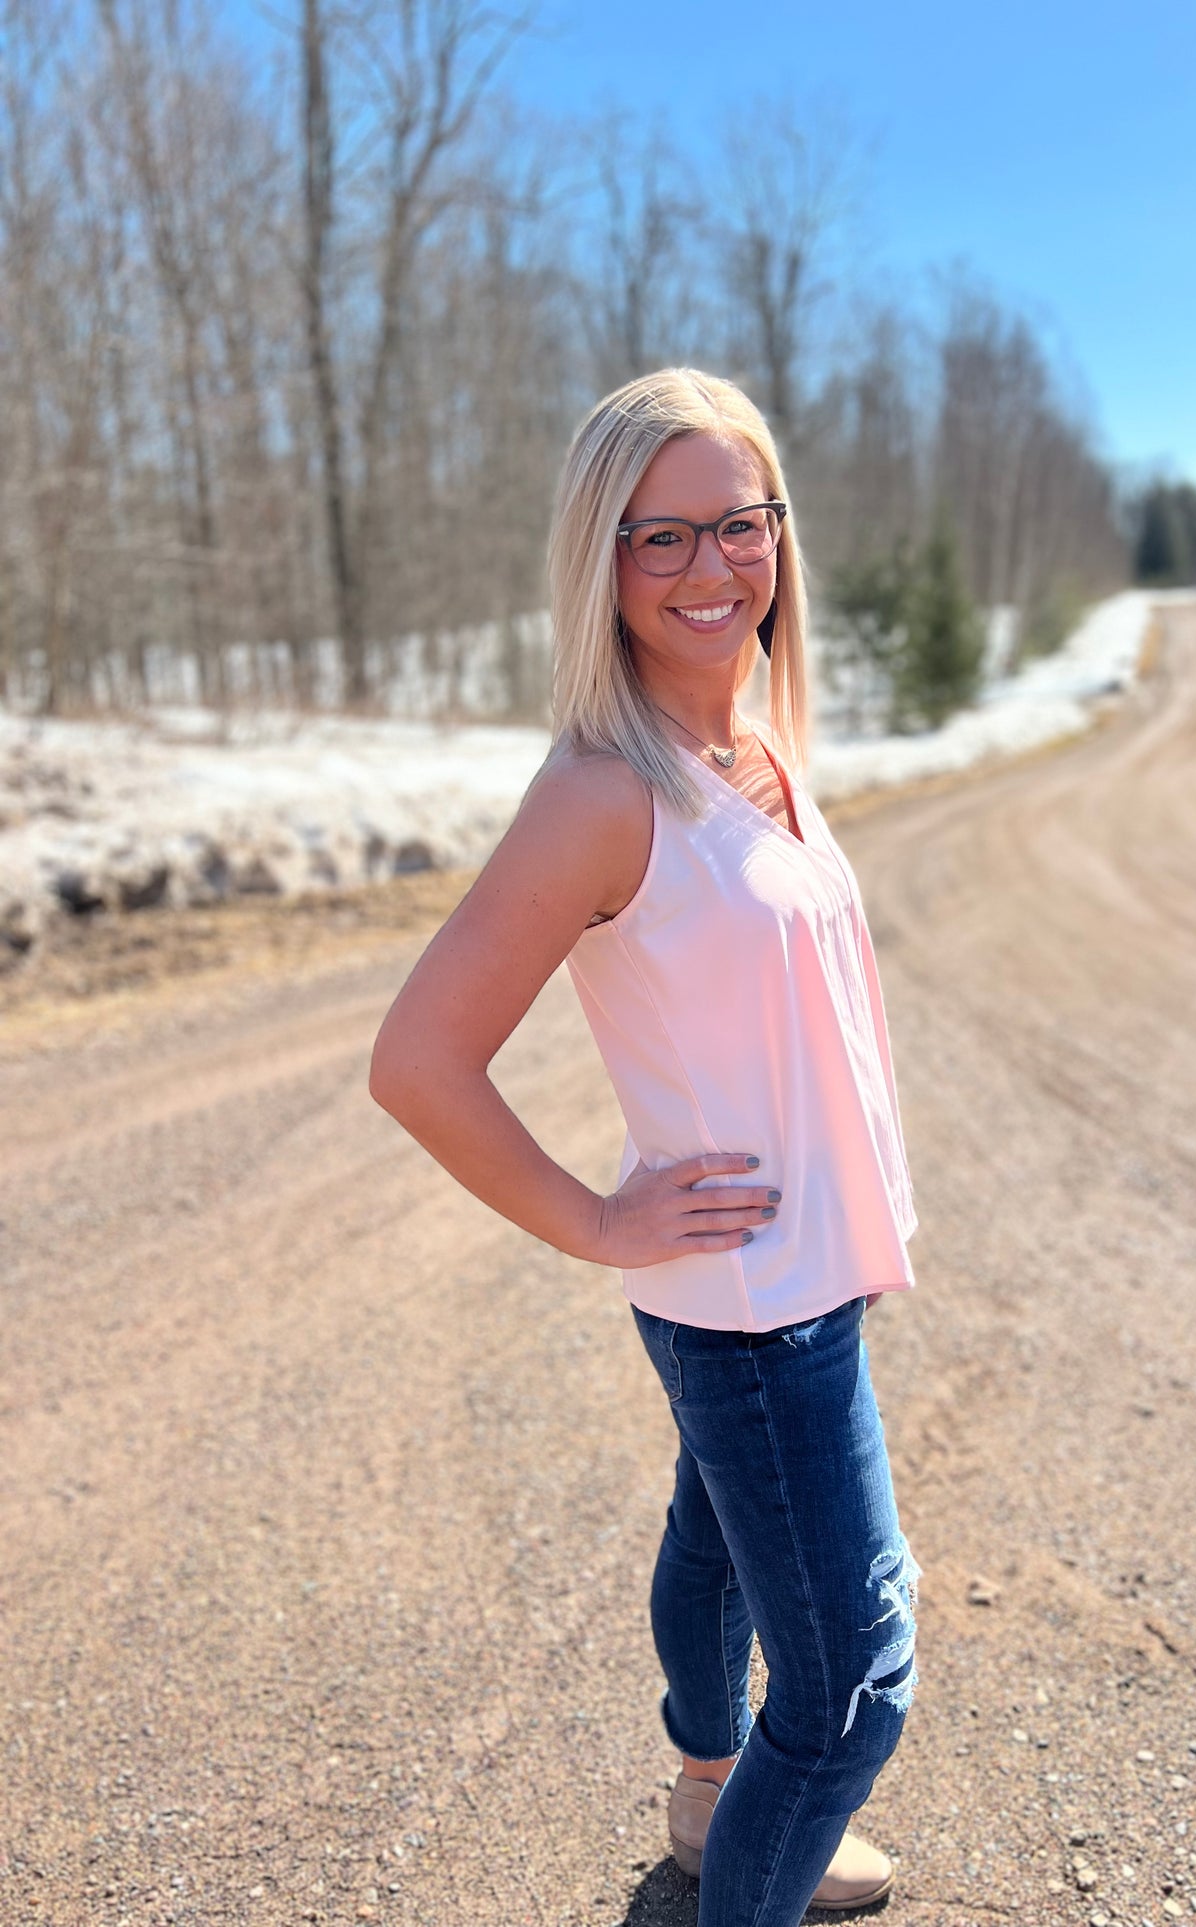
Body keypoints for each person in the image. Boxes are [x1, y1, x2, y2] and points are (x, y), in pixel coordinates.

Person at [368, 367, 920, 1927]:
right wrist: (594, 1220)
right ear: (599, 563)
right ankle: (737, 1859)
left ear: (777, 538)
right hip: (752, 1307)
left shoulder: (753, 737)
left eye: (737, 526)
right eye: (658, 537)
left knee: (721, 1543)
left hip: (797, 1276)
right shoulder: (605, 792)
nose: (708, 570)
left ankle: (700, 1801)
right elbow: (417, 1060)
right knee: (850, 1693)